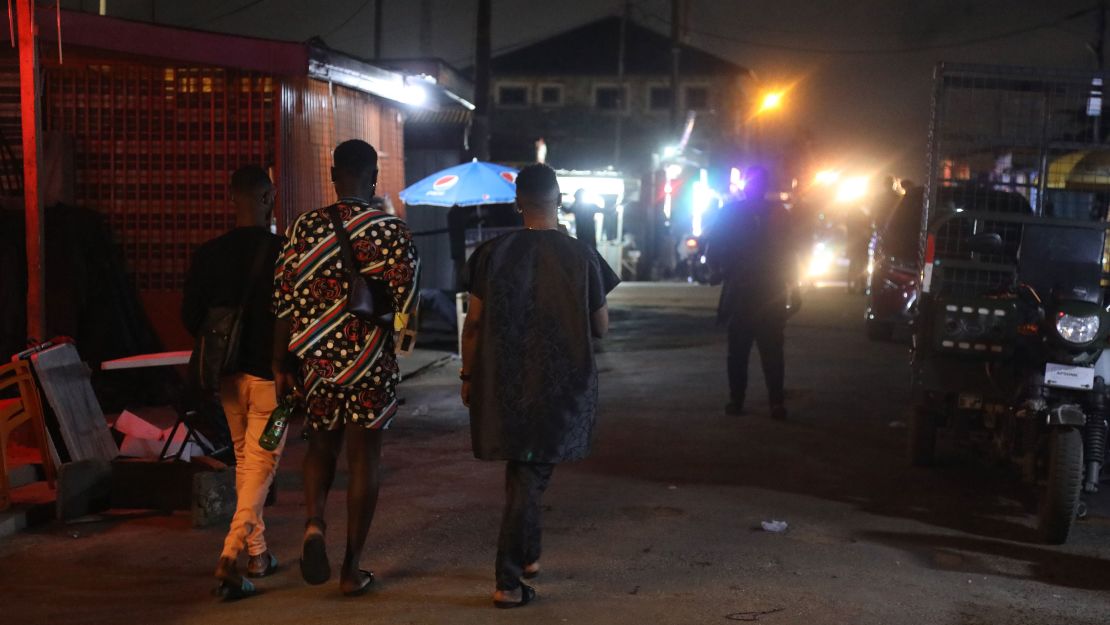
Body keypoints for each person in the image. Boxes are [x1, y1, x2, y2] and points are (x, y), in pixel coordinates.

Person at [460, 164, 620, 609]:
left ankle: (527, 557)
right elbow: (602, 328)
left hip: (503, 382)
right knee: (530, 475)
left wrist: (468, 376)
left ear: (518, 203)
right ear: (560, 200)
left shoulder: (491, 254)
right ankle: (509, 581)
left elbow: (472, 325)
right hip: (561, 384)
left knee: (524, 472)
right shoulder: (582, 255)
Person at [272, 140, 419, 597]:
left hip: (316, 359)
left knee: (320, 447)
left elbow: (283, 298)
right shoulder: (391, 230)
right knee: (364, 461)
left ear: (334, 176)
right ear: (373, 178)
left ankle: (315, 523)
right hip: (370, 361)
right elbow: (405, 306)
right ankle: (351, 568)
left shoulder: (305, 228)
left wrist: (281, 362)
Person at [182, 164, 283, 599]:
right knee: (261, 464)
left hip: (226, 375)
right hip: (270, 376)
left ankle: (259, 554)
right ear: (267, 199)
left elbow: (192, 317)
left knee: (246, 460)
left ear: (231, 198)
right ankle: (230, 554)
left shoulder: (209, 254)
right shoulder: (284, 252)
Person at [708, 166, 800, 420]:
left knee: (739, 352)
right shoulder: (778, 213)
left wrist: (715, 271)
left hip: (744, 291)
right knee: (771, 351)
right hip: (770, 291)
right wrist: (795, 287)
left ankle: (738, 401)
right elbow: (791, 252)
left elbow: (713, 245)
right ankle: (774, 403)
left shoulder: (731, 212)